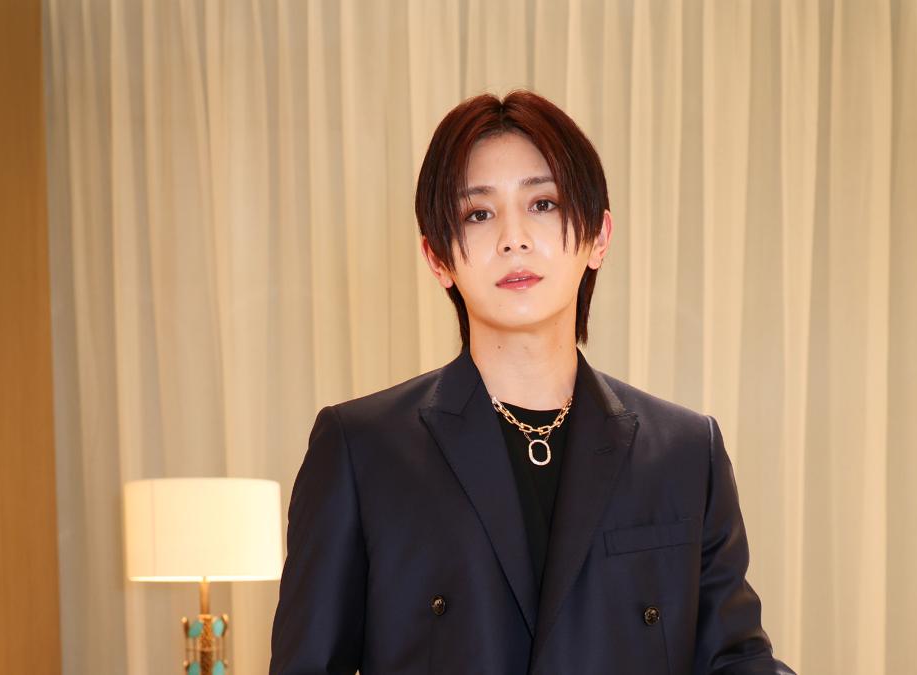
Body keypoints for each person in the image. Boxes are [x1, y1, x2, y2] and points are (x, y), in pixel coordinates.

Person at [269, 89, 795, 675]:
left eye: (543, 203)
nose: (513, 238)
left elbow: (736, 659)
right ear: (437, 257)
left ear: (599, 236)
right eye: (478, 213)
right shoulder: (360, 449)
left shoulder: (687, 452)